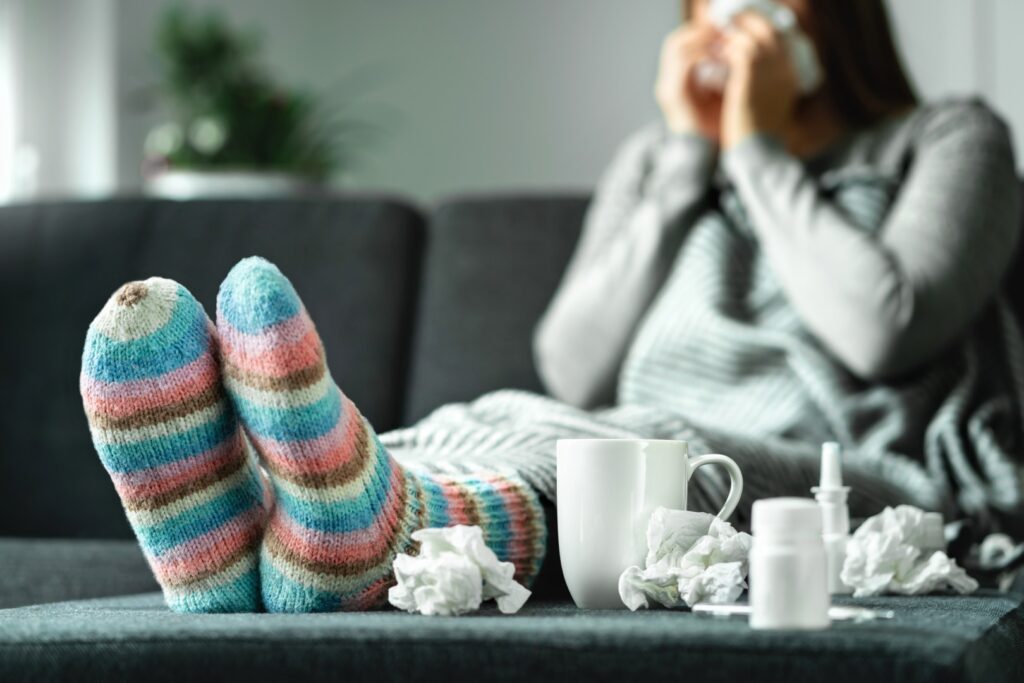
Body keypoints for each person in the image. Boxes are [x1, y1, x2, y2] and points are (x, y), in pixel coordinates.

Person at [80, 0, 1022, 615]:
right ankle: (255, 544)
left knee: (634, 445)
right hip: (633, 434)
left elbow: (886, 328)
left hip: (844, 476)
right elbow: (570, 364)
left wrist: (755, 150)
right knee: (481, 415)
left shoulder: (950, 138)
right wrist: (686, 165)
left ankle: (377, 537)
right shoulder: (660, 166)